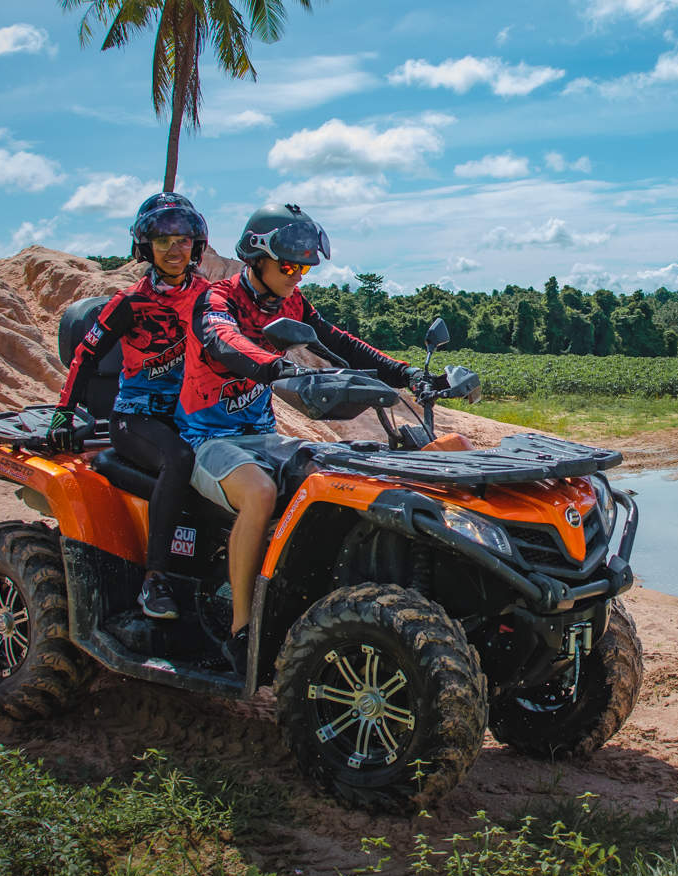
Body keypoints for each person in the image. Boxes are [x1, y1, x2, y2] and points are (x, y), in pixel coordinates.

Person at [178, 203, 442, 672]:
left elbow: (338, 342)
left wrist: (406, 374)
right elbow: (224, 342)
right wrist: (278, 367)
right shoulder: (218, 300)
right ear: (257, 258)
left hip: (262, 437)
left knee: (335, 477)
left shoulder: (291, 303)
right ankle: (242, 631)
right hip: (209, 439)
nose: (297, 275)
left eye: (304, 268)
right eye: (288, 267)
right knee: (259, 494)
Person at [49, 192, 211, 622]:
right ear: (146, 247)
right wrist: (64, 412)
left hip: (191, 414)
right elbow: (85, 355)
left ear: (196, 245)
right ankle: (154, 579)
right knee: (179, 459)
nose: (174, 250)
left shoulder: (211, 297)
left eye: (183, 240)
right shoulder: (129, 302)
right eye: (163, 241)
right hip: (135, 418)